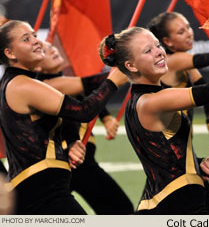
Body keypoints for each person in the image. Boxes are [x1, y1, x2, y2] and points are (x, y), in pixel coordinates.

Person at [98, 27, 209, 214]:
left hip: (173, 202)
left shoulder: (142, 100)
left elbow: (163, 157)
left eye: (157, 45)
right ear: (131, 66)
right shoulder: (151, 102)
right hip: (177, 205)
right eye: (148, 50)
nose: (159, 52)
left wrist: (196, 164)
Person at [0, 20, 127, 214]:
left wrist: (71, 140)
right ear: (10, 53)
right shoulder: (21, 85)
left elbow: (57, 121)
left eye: (34, 35)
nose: (37, 41)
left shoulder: (20, 82)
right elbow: (83, 110)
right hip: (40, 191)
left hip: (43, 187)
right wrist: (113, 81)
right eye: (26, 39)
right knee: (121, 209)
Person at [35, 41, 134, 214]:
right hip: (73, 163)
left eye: (51, 46)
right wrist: (129, 66)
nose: (51, 50)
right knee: (120, 209)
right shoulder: (49, 86)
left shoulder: (63, 81)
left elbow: (87, 95)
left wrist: (107, 117)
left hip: (75, 161)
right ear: (36, 64)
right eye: (43, 50)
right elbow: (92, 87)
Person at [147, 11, 209, 214]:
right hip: (170, 155)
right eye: (181, 32)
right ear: (167, 42)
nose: (189, 33)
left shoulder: (186, 66)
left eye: (189, 27)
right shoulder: (172, 62)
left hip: (182, 152)